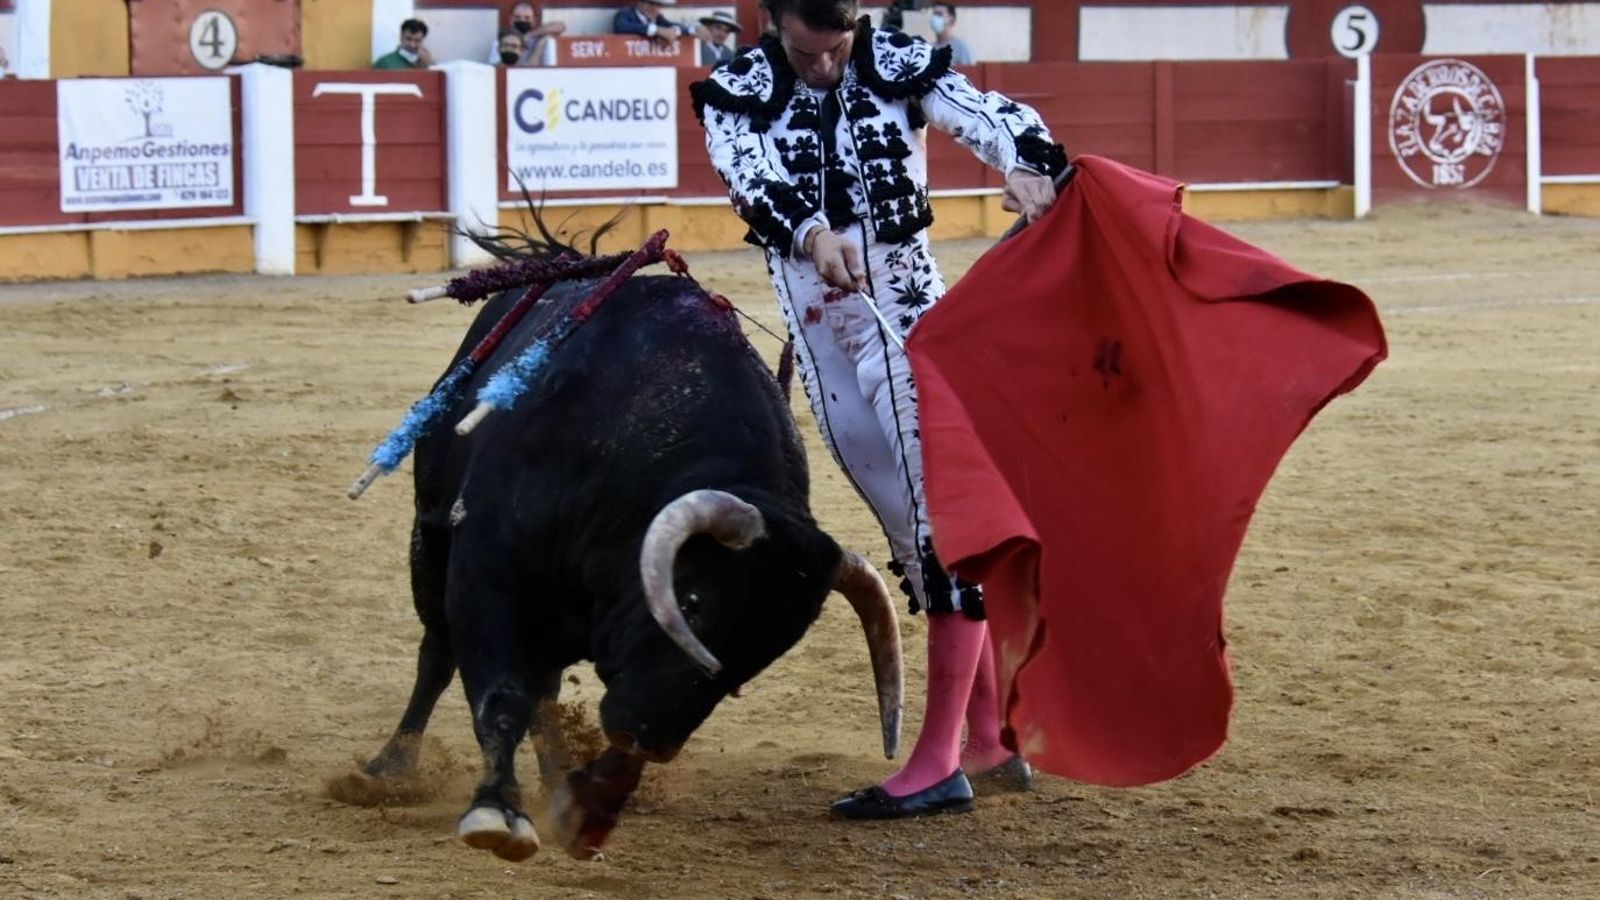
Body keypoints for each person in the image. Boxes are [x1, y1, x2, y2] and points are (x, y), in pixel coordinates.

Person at [690, 0, 1066, 819]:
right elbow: (751, 176)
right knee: (909, 533)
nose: (826, 66)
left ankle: (938, 765)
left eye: (840, 49)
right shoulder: (737, 89)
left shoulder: (897, 62)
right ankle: (992, 741)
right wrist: (811, 235)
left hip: (911, 326)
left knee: (943, 532)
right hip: (824, 345)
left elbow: (990, 116)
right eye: (807, 53)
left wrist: (1027, 163)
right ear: (775, 26)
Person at [486, 2, 566, 67]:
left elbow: (561, 26)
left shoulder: (537, 37)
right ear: (511, 19)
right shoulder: (501, 41)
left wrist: (529, 35)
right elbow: (497, 68)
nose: (522, 20)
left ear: (534, 20)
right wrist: (539, 48)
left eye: (527, 18)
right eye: (517, 17)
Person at [614, 0, 686, 43]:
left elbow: (671, 25)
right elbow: (622, 27)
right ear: (640, 2)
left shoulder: (658, 18)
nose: (654, 8)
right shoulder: (625, 15)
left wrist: (674, 31)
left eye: (658, 5)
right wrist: (657, 30)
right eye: (651, 4)